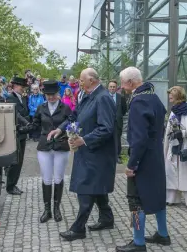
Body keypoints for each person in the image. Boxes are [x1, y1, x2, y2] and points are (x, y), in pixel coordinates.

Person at [48, 68, 117, 241]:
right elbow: (75, 116)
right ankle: (107, 218)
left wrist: (84, 140)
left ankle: (78, 228)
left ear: (92, 80)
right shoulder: (88, 95)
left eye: (82, 79)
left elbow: (106, 128)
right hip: (88, 151)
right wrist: (60, 128)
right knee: (96, 185)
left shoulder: (103, 98)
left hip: (97, 153)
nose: (79, 82)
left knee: (86, 187)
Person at [115, 67, 169, 252]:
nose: (121, 87)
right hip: (156, 155)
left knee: (135, 200)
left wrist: (132, 164)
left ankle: (138, 242)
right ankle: (163, 234)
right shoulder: (154, 97)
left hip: (143, 158)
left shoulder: (138, 102)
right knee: (158, 194)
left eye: (122, 83)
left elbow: (139, 138)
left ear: (130, 83)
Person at [29, 80, 72, 223]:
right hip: (45, 146)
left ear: (58, 94)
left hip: (61, 146)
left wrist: (63, 130)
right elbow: (35, 124)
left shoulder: (65, 107)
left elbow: (71, 122)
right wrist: (22, 128)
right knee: (46, 178)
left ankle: (56, 208)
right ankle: (47, 210)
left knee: (58, 178)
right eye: (48, 95)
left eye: (53, 94)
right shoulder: (41, 108)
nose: (51, 97)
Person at [5, 76, 30, 195]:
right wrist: (27, 123)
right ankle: (10, 186)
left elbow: (26, 112)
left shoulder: (23, 98)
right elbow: (16, 114)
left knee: (19, 161)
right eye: (21, 86)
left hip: (22, 133)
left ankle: (14, 184)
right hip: (15, 132)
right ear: (15, 86)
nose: (23, 89)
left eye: (24, 87)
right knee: (15, 161)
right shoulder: (10, 98)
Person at [107, 79, 127, 162]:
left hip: (117, 122)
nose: (112, 88)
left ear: (116, 88)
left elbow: (124, 109)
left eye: (114, 87)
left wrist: (118, 116)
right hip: (107, 122)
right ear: (108, 88)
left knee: (117, 140)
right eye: (111, 87)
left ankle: (117, 156)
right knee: (106, 139)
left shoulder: (121, 98)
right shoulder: (104, 97)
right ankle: (107, 156)